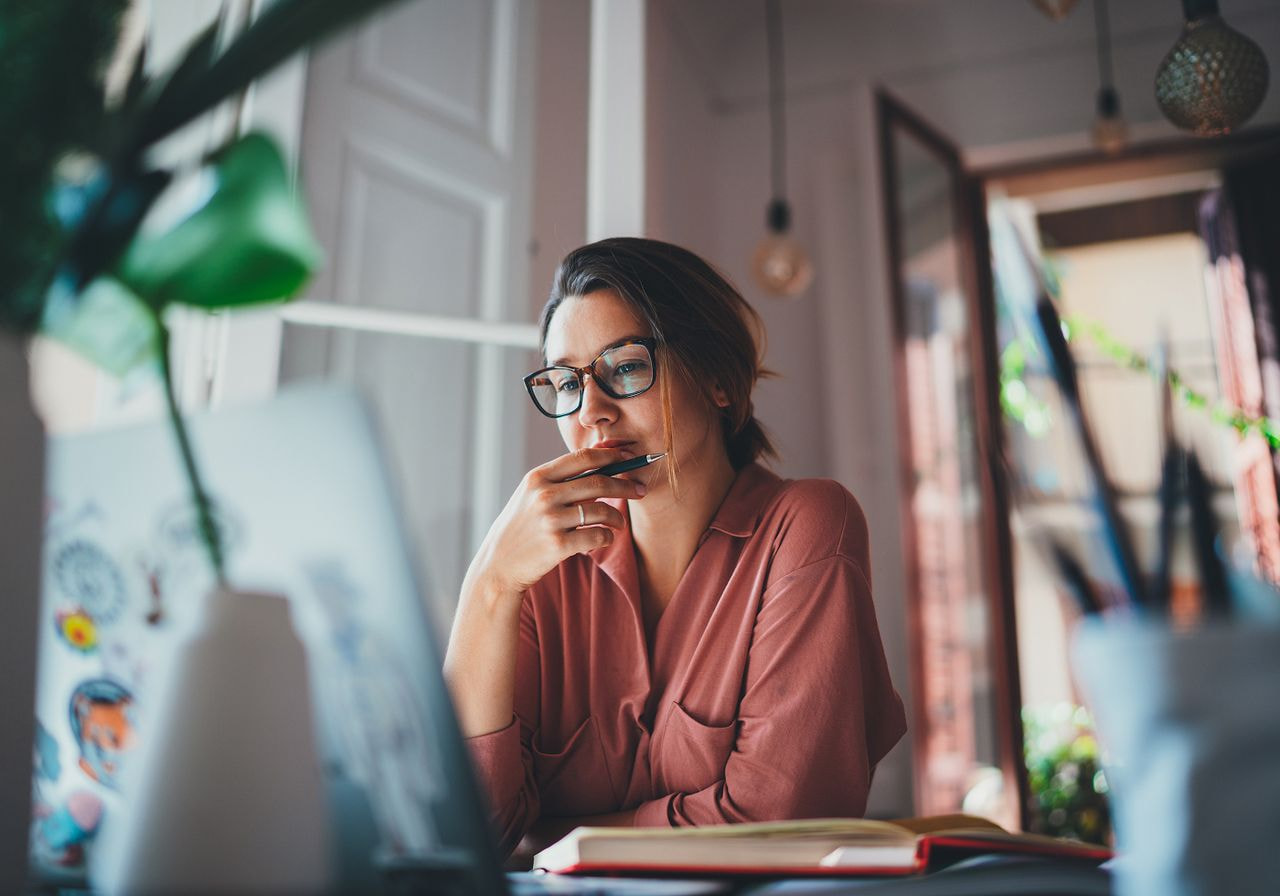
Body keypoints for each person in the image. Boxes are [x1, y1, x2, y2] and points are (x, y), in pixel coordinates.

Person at [444, 238, 906, 860]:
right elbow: (464, 834)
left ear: (717, 378)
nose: (593, 415)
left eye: (626, 367)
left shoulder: (807, 526)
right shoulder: (538, 570)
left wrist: (552, 839)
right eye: (566, 382)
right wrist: (490, 584)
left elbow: (778, 821)